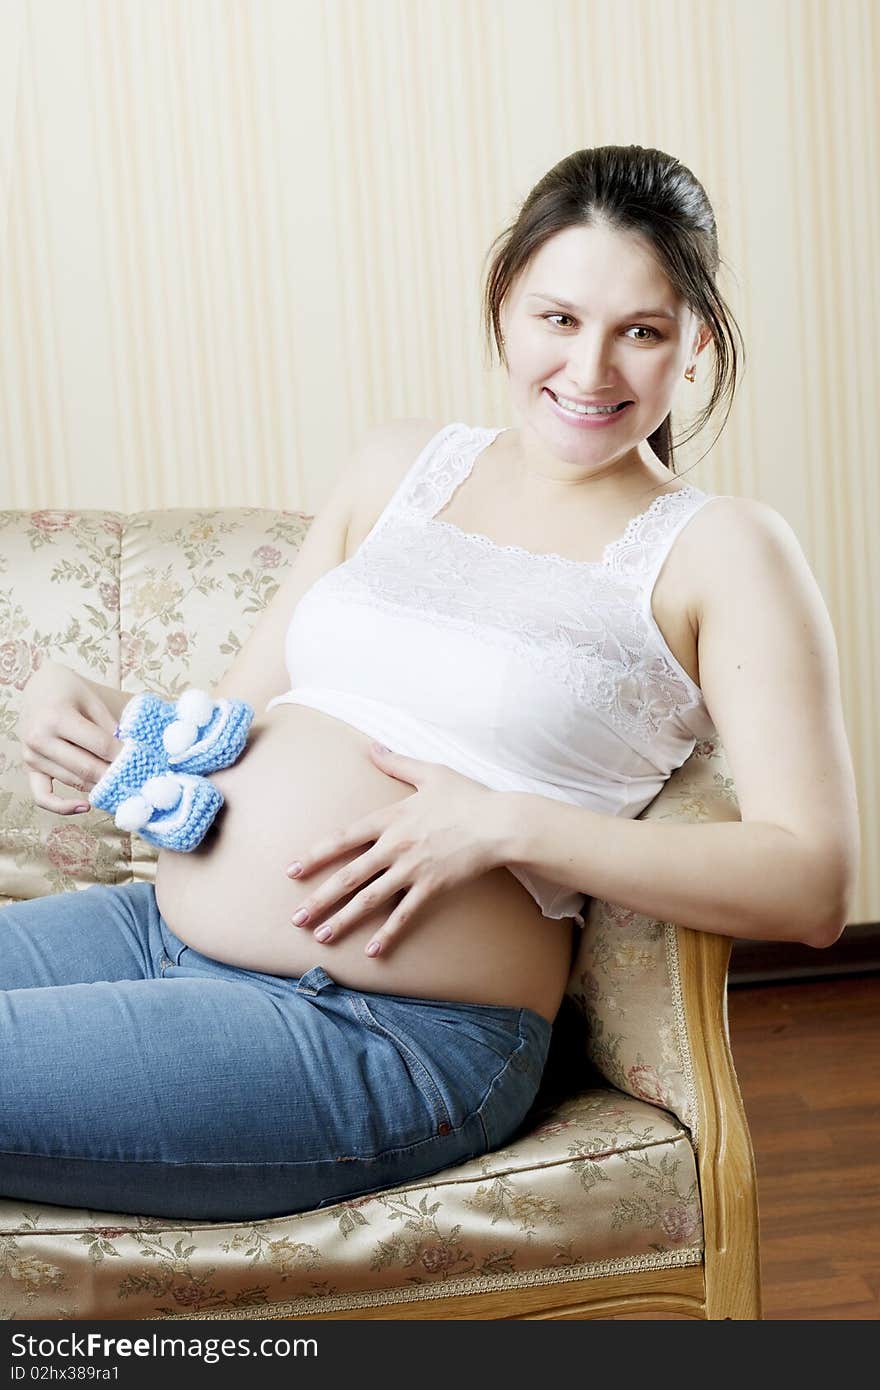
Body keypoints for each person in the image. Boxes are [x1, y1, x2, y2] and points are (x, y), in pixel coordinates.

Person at [7, 144, 860, 1222]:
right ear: (504, 307)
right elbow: (230, 724)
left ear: (693, 342)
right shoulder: (396, 469)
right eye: (557, 318)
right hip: (155, 930)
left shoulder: (724, 551)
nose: (589, 371)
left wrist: (505, 827)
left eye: (638, 331)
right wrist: (88, 715)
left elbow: (813, 882)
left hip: (381, 1027)